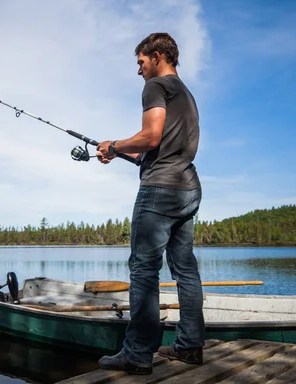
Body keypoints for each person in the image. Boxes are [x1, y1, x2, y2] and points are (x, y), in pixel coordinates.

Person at [95, 32, 205, 375]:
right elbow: (155, 145)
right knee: (185, 269)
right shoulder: (184, 92)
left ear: (157, 56)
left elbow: (152, 135)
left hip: (160, 190)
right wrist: (124, 151)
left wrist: (113, 145)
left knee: (143, 270)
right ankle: (189, 347)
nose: (139, 70)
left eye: (141, 61)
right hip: (187, 187)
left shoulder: (156, 86)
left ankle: (138, 354)